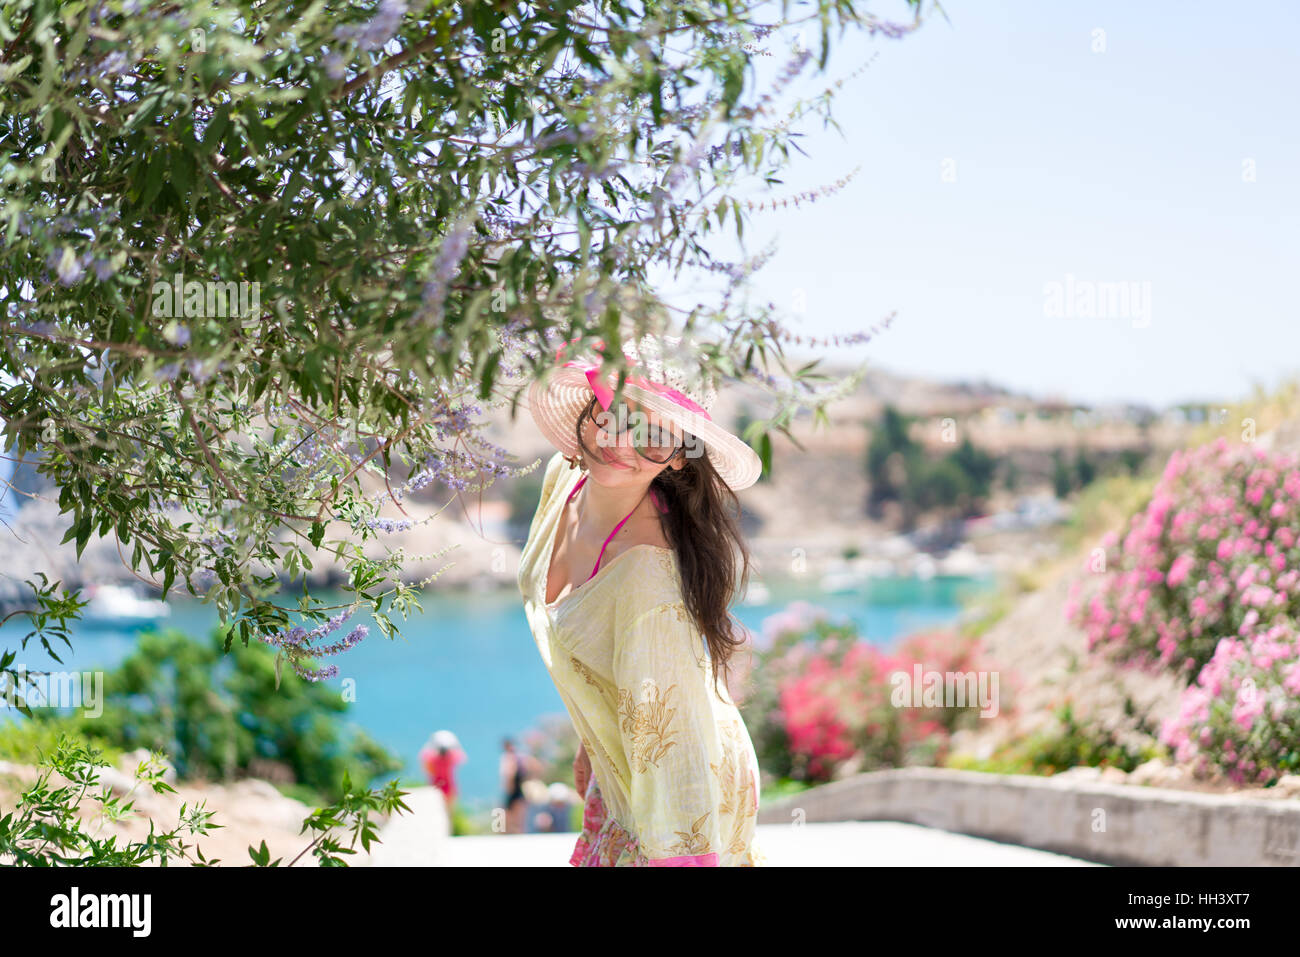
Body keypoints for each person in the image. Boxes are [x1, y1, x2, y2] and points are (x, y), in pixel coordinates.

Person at [516, 331, 767, 866]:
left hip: (683, 796)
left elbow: (681, 767)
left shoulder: (648, 588)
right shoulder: (563, 479)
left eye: (651, 433)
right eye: (612, 413)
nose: (619, 441)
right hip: (629, 761)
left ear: (679, 457)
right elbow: (609, 661)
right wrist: (593, 736)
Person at [419, 730, 466, 816]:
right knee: (448, 813)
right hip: (448, 786)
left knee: (436, 812)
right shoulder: (451, 758)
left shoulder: (432, 759)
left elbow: (424, 760)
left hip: (435, 785)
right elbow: (462, 757)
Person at [500, 737, 532, 834]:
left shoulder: (509, 757)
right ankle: (517, 832)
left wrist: (509, 785)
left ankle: (510, 833)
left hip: (513, 788)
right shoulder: (520, 756)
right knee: (517, 814)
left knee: (508, 814)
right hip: (519, 786)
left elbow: (509, 773)